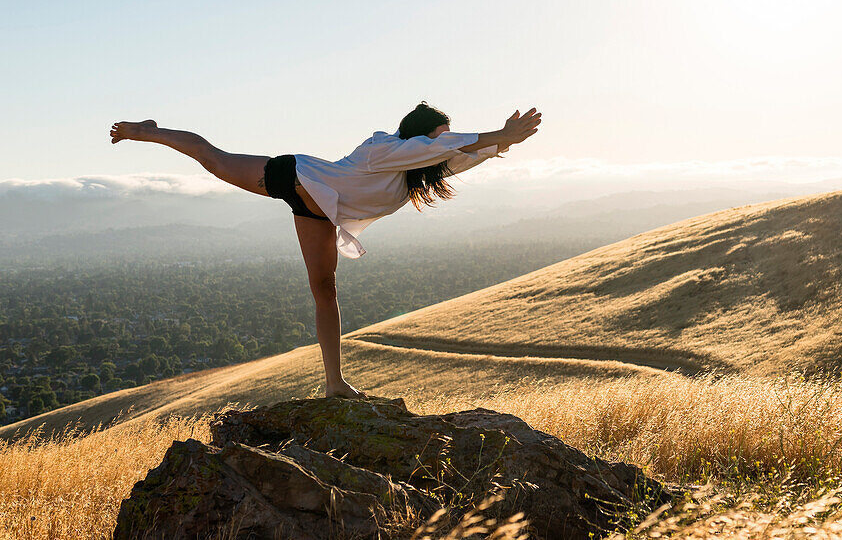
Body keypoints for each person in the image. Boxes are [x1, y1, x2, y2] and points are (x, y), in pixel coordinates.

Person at [109, 102, 541, 399]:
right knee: (213, 158)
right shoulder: (384, 149)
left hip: (317, 211)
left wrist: (502, 142)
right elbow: (439, 148)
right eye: (435, 136)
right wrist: (496, 133)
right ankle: (149, 132)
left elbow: (455, 155)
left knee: (325, 290)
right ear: (417, 134)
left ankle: (334, 382)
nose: (438, 145)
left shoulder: (416, 165)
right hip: (295, 176)